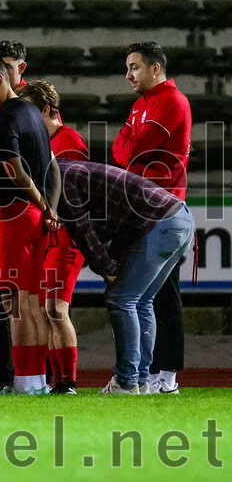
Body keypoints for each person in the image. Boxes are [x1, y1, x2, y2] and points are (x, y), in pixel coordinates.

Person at [53, 160, 195, 394]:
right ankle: (140, 380)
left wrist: (107, 268)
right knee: (141, 301)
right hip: (180, 217)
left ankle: (126, 382)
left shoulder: (60, 179)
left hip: (160, 221)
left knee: (122, 299)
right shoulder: (68, 169)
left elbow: (83, 229)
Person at [0, 55, 60, 395]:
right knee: (32, 304)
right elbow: (53, 167)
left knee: (15, 306)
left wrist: (39, 204)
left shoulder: (6, 117)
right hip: (35, 217)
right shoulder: (33, 114)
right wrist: (49, 208)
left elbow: (13, 170)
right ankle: (35, 380)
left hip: (16, 216)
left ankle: (25, 381)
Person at [111, 41, 192, 395]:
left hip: (163, 211)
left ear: (155, 68)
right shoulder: (143, 103)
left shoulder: (172, 101)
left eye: (134, 67)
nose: (129, 75)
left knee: (157, 297)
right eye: (128, 68)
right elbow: (120, 150)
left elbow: (135, 148)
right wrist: (129, 145)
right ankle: (147, 376)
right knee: (146, 298)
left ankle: (162, 377)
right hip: (143, 208)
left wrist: (129, 144)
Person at [19, 80, 89, 394]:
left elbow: (74, 194)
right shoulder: (43, 143)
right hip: (47, 237)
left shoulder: (68, 140)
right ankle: (56, 382)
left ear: (46, 110)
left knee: (55, 309)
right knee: (46, 310)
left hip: (66, 236)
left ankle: (68, 382)